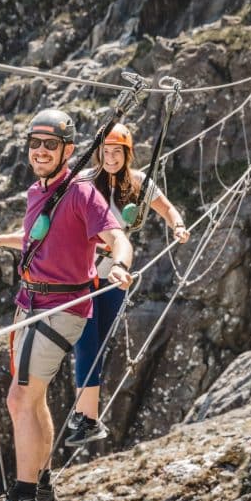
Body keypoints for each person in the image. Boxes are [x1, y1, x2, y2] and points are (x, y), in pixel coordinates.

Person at [0, 109, 134, 501]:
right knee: (33, 396)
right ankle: (40, 486)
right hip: (35, 303)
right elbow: (36, 237)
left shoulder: (80, 192)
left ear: (68, 151)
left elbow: (118, 236)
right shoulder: (38, 190)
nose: (40, 151)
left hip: (59, 308)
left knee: (20, 399)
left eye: (50, 144)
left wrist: (118, 265)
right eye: (35, 143)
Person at [64, 123, 190, 447]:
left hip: (116, 276)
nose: (110, 158)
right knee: (86, 341)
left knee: (99, 343)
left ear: (126, 154)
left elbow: (167, 208)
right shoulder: (86, 183)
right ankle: (85, 417)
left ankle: (87, 416)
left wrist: (177, 226)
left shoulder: (138, 183)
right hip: (87, 272)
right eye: (105, 152)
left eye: (116, 152)